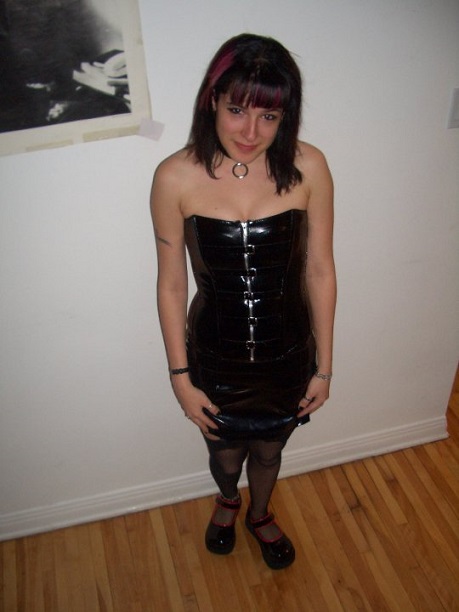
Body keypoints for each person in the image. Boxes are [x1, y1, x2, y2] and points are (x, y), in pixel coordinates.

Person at [150, 33, 336, 570]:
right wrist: (180, 378)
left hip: (287, 354)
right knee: (225, 453)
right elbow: (171, 283)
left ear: (284, 117)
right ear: (213, 100)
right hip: (216, 357)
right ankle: (229, 499)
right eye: (237, 110)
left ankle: (260, 512)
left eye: (268, 117)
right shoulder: (174, 176)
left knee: (271, 450)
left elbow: (320, 270)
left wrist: (324, 369)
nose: (251, 133)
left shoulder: (309, 166)